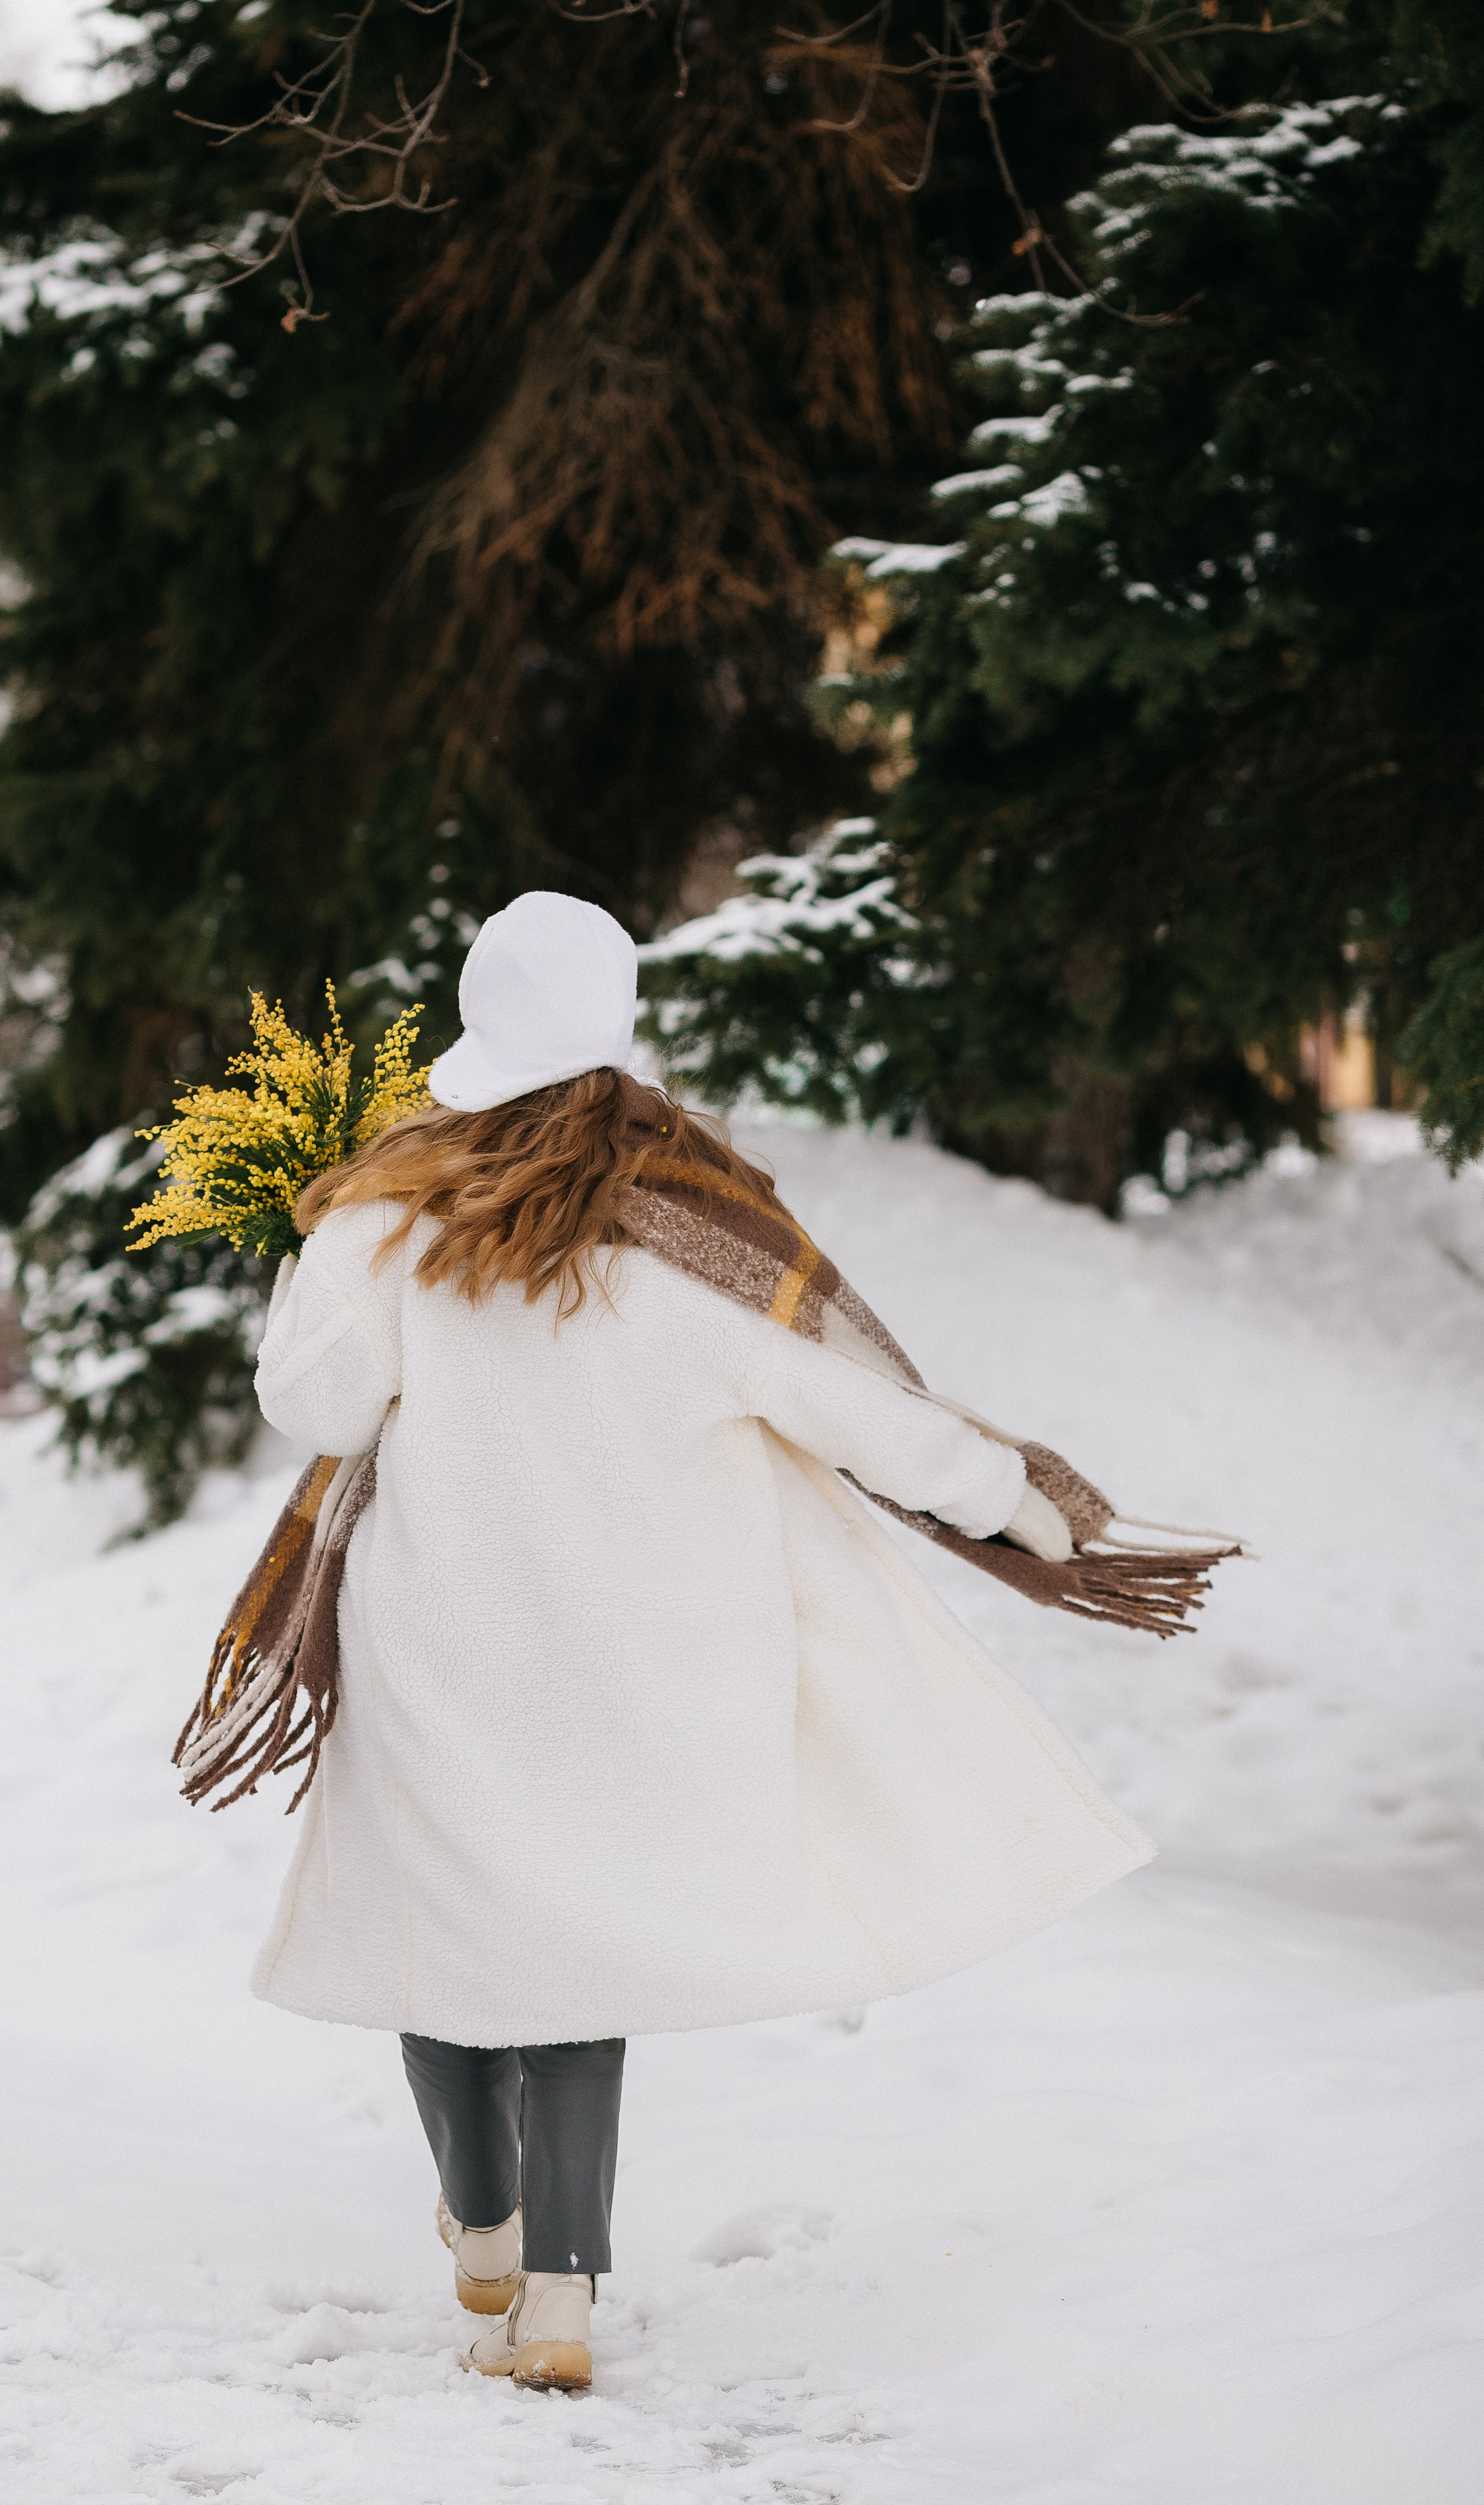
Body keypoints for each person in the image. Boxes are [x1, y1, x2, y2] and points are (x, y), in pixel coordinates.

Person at [250, 889, 1151, 2391]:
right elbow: (855, 1407)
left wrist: (307, 1261)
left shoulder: (386, 1216)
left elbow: (316, 1407)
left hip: (445, 1640)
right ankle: (557, 2305)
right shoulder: (707, 1230)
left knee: (446, 1942)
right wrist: (1010, 1500)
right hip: (647, 1659)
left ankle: (480, 2230)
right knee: (579, 1969)